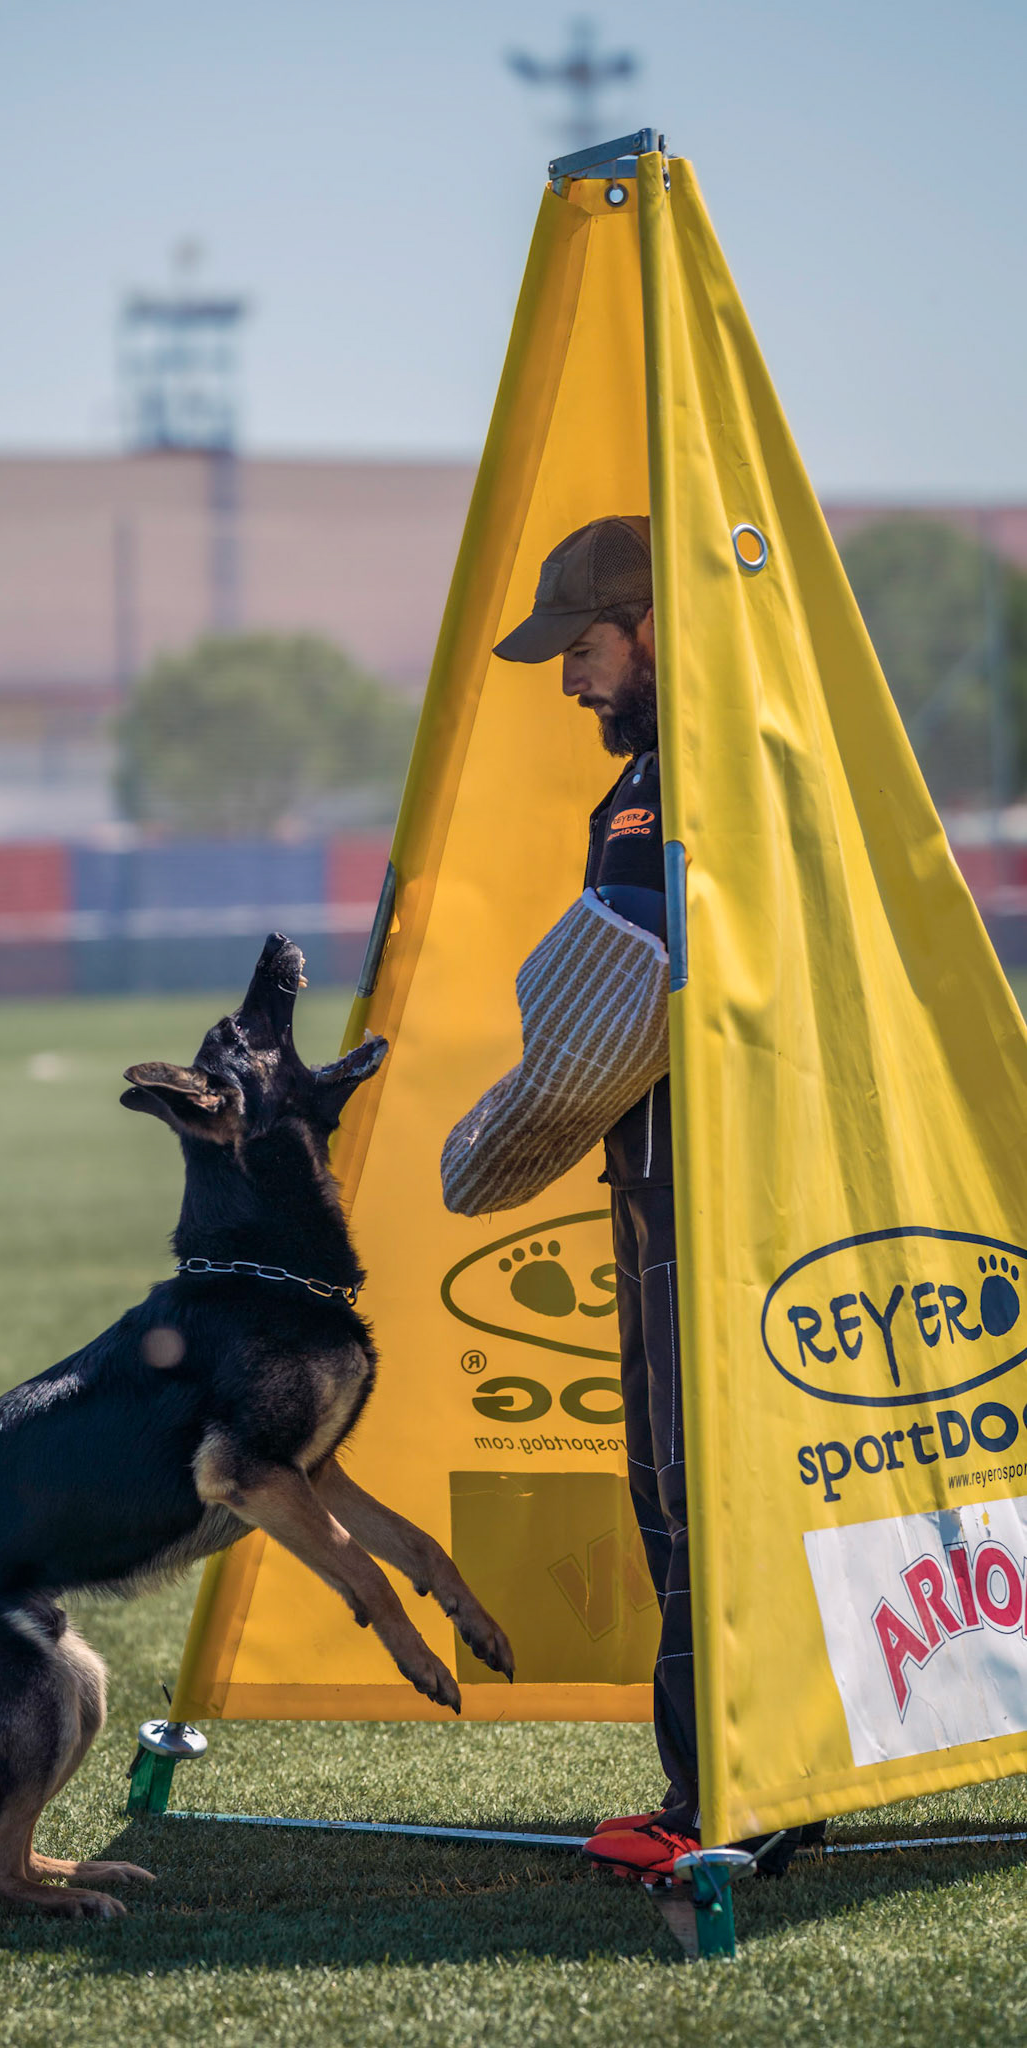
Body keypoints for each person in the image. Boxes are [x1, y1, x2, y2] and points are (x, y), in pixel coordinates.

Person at [492, 514, 820, 1879]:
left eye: (583, 647)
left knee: (694, 1482)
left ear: (651, 629)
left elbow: (632, 1005)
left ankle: (726, 1798)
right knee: (706, 1480)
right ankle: (755, 1778)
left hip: (700, 1188)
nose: (570, 679)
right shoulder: (695, 766)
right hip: (702, 1180)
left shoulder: (681, 780)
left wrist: (513, 1126)